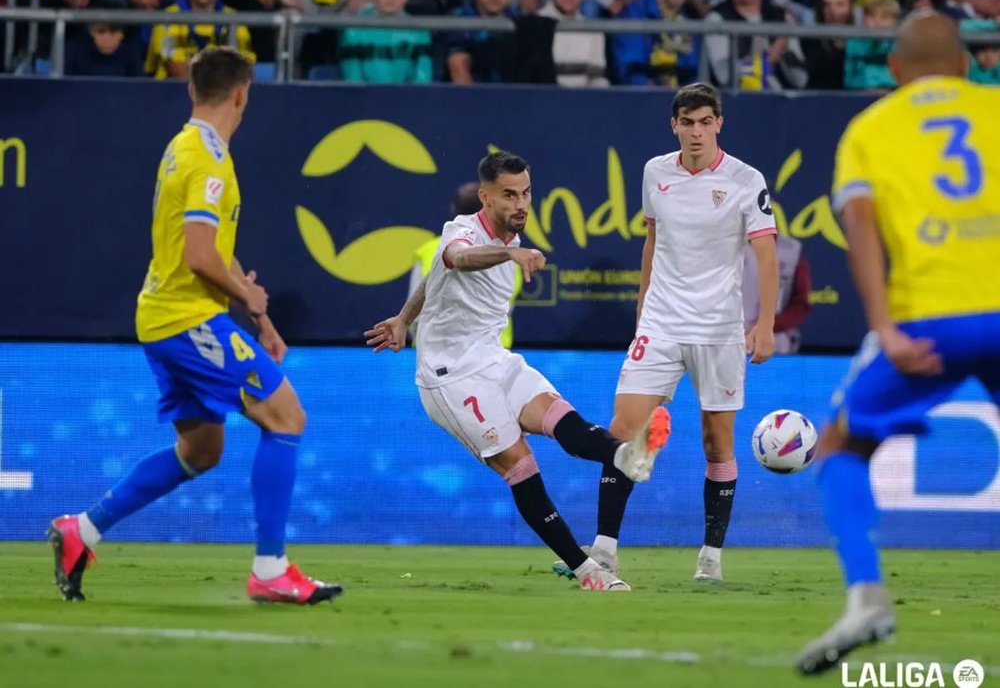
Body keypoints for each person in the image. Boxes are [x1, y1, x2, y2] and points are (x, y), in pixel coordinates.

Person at [47, 47, 341, 606]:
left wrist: (259, 314)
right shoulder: (210, 159)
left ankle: (80, 530)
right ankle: (271, 569)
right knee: (286, 416)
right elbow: (201, 257)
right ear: (242, 93)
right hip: (187, 318)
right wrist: (246, 293)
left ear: (191, 89)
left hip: (161, 317)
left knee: (201, 450)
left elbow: (211, 250)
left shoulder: (183, 148)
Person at [796, 11, 1000, 674]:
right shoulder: (994, 108)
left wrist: (883, 328)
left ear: (893, 68)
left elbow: (859, 223)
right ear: (968, 64)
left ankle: (868, 597)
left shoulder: (871, 127)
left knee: (842, 444)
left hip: (928, 319)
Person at [365, 151, 671, 592]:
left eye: (526, 193)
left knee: (567, 422)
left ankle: (627, 457)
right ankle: (589, 572)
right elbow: (455, 260)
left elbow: (433, 279)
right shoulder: (464, 233)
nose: (520, 204)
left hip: (496, 361)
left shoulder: (507, 242)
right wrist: (511, 253)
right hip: (450, 377)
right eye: (509, 195)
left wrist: (403, 318)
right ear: (485, 198)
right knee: (522, 467)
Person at [557, 83, 778, 584]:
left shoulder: (746, 180)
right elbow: (652, 241)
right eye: (687, 122)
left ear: (719, 123)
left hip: (719, 328)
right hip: (661, 322)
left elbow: (765, 253)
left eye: (705, 121)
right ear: (673, 125)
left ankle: (710, 557)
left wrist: (765, 323)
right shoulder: (655, 172)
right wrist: (642, 311)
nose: (696, 132)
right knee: (622, 428)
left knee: (716, 444)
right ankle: (607, 548)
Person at [408, 182, 523, 347]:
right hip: (489, 355)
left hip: (437, 354)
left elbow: (415, 314)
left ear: (454, 210)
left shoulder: (430, 251)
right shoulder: (507, 255)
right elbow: (503, 309)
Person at [742, 234, 811, 354]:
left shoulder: (789, 252)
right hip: (724, 339)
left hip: (774, 342)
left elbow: (800, 303)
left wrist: (767, 325)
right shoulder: (718, 248)